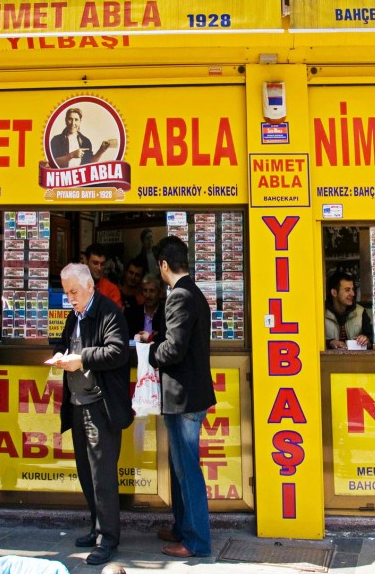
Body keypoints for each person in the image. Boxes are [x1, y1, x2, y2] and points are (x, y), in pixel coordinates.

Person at [48, 263, 132, 566]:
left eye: (74, 291)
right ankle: (97, 528)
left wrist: (81, 359)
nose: (70, 297)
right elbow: (63, 341)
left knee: (103, 476)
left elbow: (118, 352)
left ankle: (108, 538)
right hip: (77, 402)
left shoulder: (109, 313)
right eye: (66, 291)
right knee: (86, 471)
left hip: (101, 405)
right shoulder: (75, 314)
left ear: (89, 287)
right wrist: (60, 354)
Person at [149, 235, 216, 559]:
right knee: (182, 468)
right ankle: (182, 528)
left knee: (188, 470)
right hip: (191, 396)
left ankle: (196, 541)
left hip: (184, 398)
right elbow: (181, 341)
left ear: (164, 265)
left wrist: (150, 351)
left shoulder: (178, 297)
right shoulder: (195, 293)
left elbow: (173, 349)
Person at [49, 107, 113, 169]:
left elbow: (90, 162)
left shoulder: (85, 141)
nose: (73, 123)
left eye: (76, 120)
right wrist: (71, 155)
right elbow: (51, 162)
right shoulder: (56, 140)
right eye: (70, 119)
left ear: (80, 121)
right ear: (66, 120)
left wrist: (101, 150)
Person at [324, 270, 372, 350]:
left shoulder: (360, 311)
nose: (352, 294)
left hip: (355, 361)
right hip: (327, 361)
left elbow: (372, 341)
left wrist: (366, 340)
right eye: (347, 290)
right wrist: (330, 342)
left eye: (352, 289)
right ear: (334, 293)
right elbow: (310, 340)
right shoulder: (320, 313)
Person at [128, 273, 166, 345]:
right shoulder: (134, 312)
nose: (148, 295)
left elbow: (166, 339)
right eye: (145, 290)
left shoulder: (165, 313)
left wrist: (150, 338)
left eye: (152, 291)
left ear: (159, 292)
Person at [85, 243, 123, 310]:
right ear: (86, 262)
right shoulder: (75, 285)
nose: (99, 268)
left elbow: (115, 318)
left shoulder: (112, 290)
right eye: (95, 263)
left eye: (102, 264)